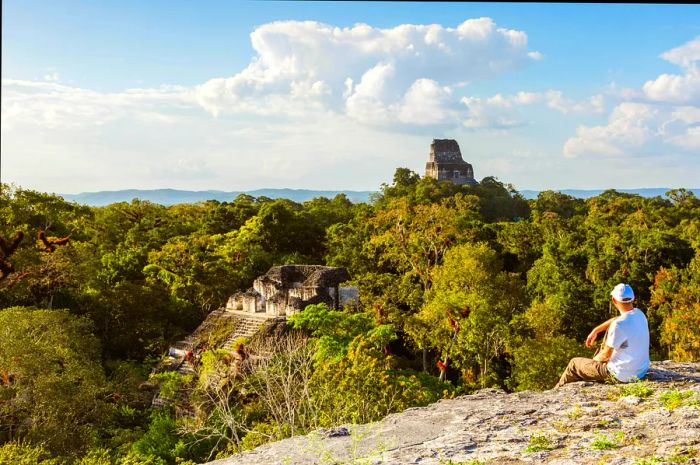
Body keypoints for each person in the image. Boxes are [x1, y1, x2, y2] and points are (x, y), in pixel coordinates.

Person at [555, 283, 650, 388]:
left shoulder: (618, 325)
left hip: (621, 375)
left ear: (614, 300)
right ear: (633, 299)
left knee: (574, 364)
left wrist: (591, 364)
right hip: (640, 372)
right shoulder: (639, 314)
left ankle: (555, 391)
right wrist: (596, 330)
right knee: (609, 333)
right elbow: (617, 320)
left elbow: (606, 355)